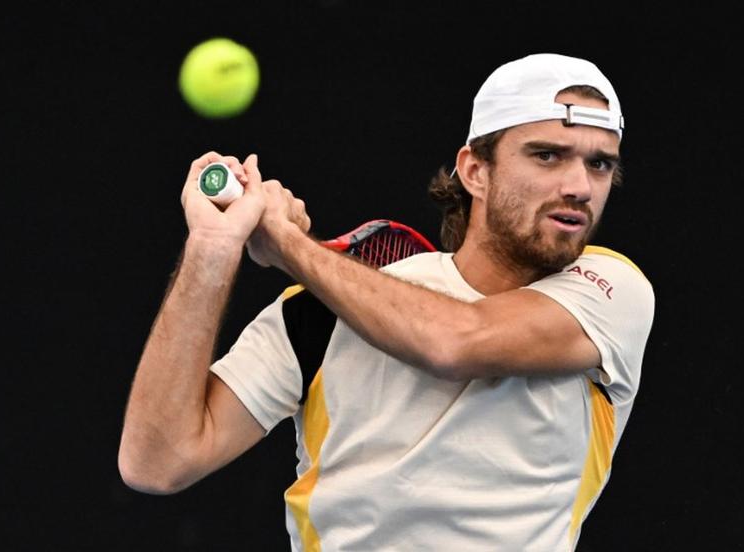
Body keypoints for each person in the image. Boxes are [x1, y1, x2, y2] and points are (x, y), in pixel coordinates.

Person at [118, 53, 655, 551]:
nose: (580, 186)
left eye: (600, 165)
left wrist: (286, 243)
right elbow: (157, 461)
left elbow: (455, 340)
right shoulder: (318, 314)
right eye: (548, 156)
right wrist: (212, 249)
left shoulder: (608, 291)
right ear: (475, 170)